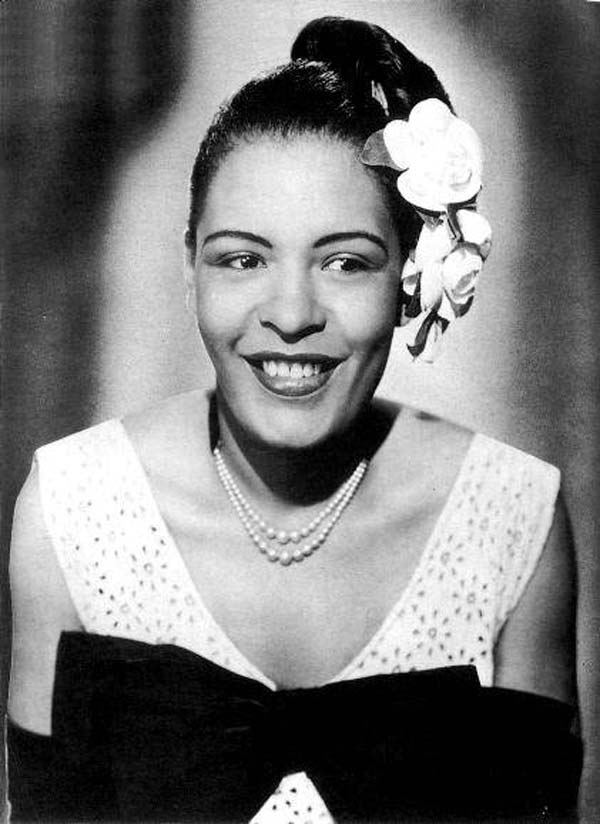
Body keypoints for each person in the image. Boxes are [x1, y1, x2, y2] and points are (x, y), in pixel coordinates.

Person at [6, 16, 581, 824]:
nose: (291, 314)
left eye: (345, 262)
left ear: (408, 276)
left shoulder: (515, 519)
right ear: (191, 269)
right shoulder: (70, 512)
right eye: (243, 258)